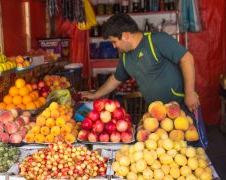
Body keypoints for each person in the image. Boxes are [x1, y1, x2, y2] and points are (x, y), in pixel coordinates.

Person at [82, 13, 208, 148]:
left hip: (181, 108)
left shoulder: (157, 40)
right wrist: (96, 95)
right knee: (167, 158)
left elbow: (187, 58)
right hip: (156, 117)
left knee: (191, 152)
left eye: (114, 42)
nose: (114, 46)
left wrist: (189, 93)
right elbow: (116, 78)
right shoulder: (125, 57)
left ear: (125, 35)